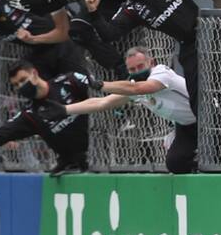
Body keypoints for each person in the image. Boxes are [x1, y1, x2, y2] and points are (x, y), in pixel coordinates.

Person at [52, 46, 197, 174]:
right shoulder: (133, 86)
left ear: (151, 63)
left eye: (140, 66)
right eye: (132, 69)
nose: (137, 71)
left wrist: (100, 84)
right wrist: (64, 109)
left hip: (202, 120)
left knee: (208, 153)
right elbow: (102, 102)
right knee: (175, 164)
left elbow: (139, 88)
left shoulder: (161, 73)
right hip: (185, 126)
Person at [84, 0, 200, 109]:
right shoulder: (132, 8)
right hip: (188, 45)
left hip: (210, 31)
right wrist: (93, 12)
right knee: (197, 100)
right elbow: (109, 34)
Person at [0, 60, 94, 176]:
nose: (21, 86)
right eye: (16, 85)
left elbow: (100, 89)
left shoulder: (69, 81)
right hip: (74, 164)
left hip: (98, 151)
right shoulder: (30, 114)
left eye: (23, 80)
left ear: (34, 74)